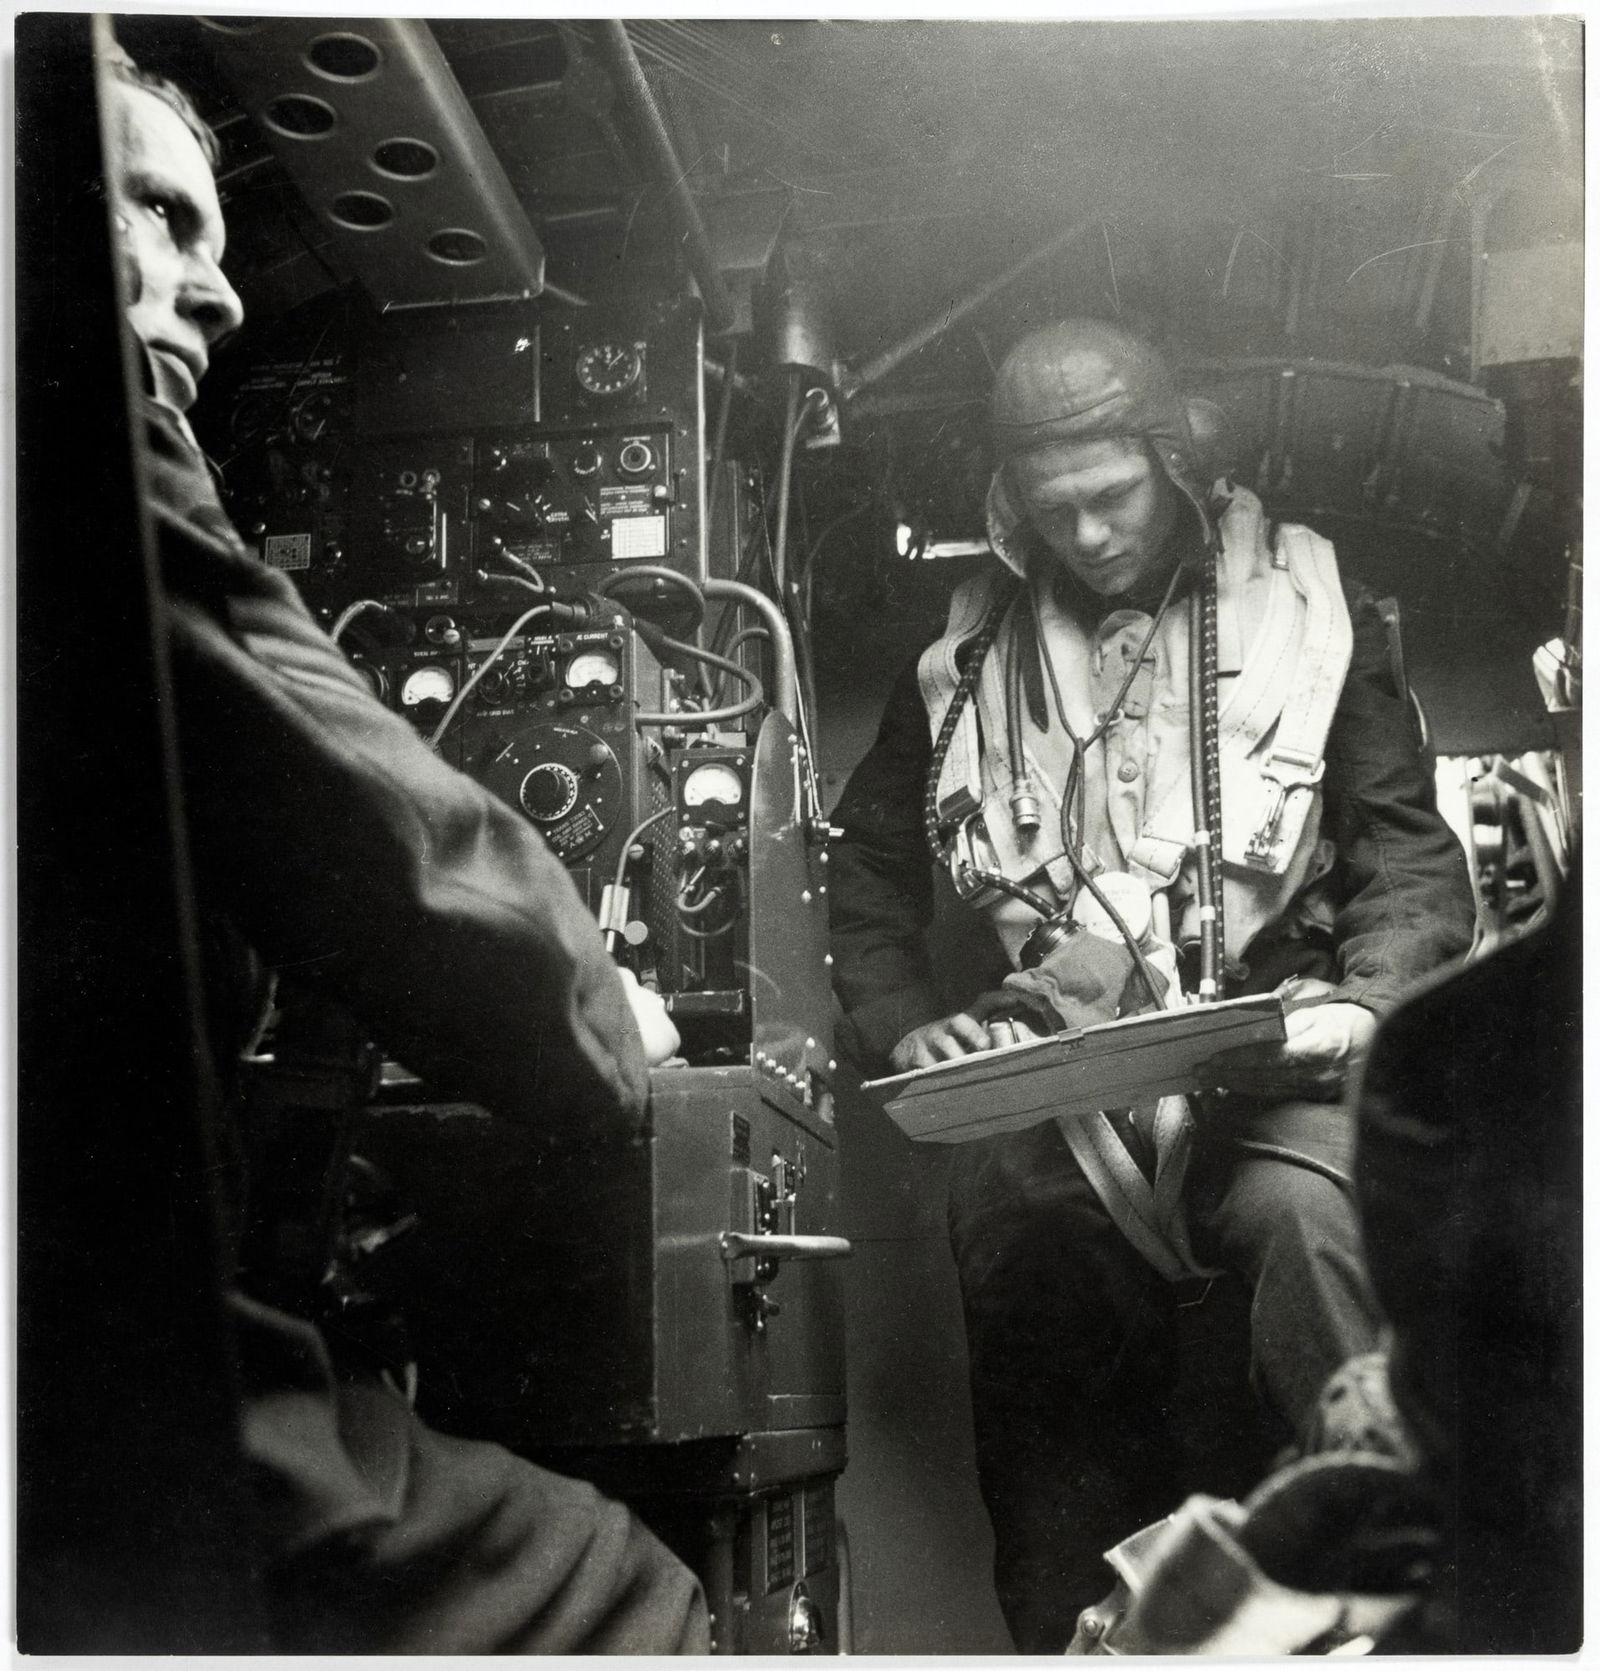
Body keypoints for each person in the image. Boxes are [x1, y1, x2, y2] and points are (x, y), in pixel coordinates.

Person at [103, 47, 707, 1653]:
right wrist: (596, 1014)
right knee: (632, 1589)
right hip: (86, 1389)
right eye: (158, 213)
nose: (218, 297)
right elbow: (363, 829)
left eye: (226, 248)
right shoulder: (72, 443)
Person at [828, 317, 1476, 1650]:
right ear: (1014, 503)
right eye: (1053, 508)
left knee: (1318, 1233)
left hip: (1262, 1062)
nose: (1091, 535)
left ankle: (1420, 1613)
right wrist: (907, 1023)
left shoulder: (1306, 617)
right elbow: (869, 883)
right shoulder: (956, 669)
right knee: (1023, 1302)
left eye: (1114, 496)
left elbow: (1409, 864)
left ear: (1173, 462)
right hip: (1054, 1099)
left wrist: (1356, 1008)